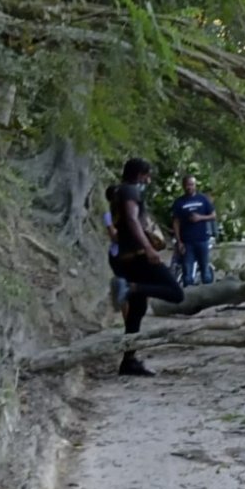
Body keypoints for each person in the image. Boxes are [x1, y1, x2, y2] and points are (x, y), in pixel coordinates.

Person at [108, 157, 184, 377]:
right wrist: (149, 249)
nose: (148, 180)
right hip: (140, 256)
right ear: (139, 174)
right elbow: (132, 221)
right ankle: (130, 287)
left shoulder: (118, 192)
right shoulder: (130, 191)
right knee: (176, 293)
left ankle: (128, 361)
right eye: (147, 175)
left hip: (125, 257)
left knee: (137, 311)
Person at [171, 174, 218, 286]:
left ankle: (207, 296)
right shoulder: (179, 202)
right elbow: (176, 223)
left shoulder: (202, 199)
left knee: (205, 272)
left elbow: (213, 215)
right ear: (183, 186)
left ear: (195, 185)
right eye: (187, 185)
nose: (189, 187)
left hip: (202, 240)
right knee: (187, 273)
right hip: (187, 242)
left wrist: (200, 217)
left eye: (191, 185)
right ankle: (189, 298)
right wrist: (179, 241)